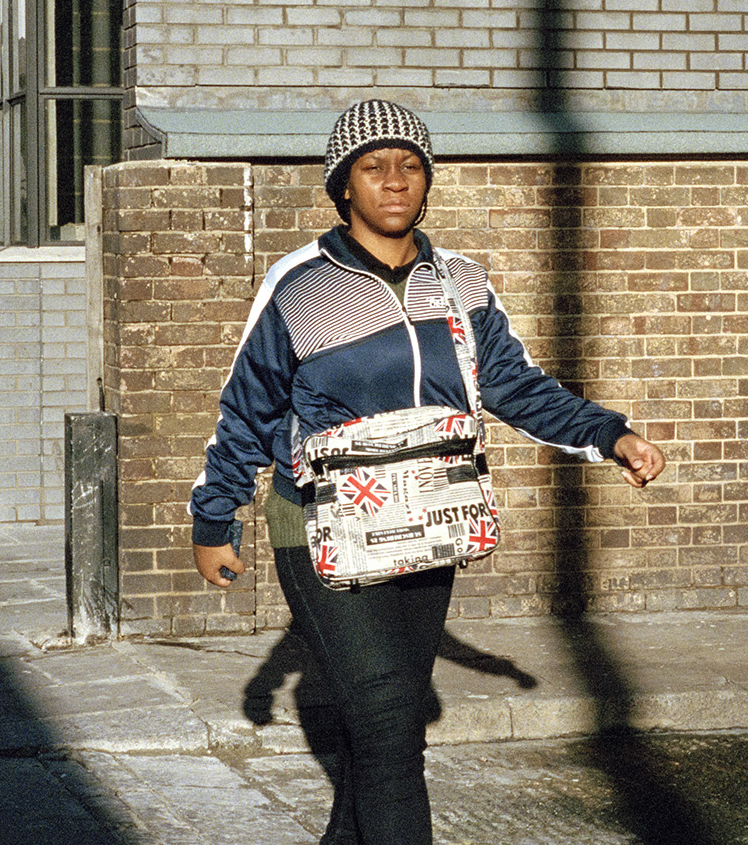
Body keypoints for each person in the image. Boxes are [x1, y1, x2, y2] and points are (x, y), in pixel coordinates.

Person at [190, 99, 666, 844]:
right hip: (317, 525)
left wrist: (609, 435)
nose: (394, 181)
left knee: (391, 725)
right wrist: (214, 518)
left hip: (427, 521)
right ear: (343, 183)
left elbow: (515, 384)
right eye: (373, 167)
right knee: (384, 719)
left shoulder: (461, 284)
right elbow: (247, 409)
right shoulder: (300, 285)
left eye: (410, 166)